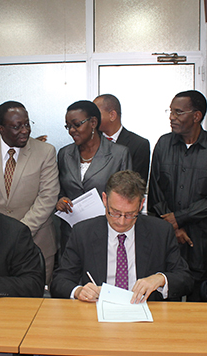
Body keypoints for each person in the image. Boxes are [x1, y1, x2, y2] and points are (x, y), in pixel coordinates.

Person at [51, 171, 193, 302]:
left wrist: (160, 279)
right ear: (105, 200)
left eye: (130, 214)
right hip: (98, 312)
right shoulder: (83, 232)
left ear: (141, 205)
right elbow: (59, 281)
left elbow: (186, 280)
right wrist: (79, 291)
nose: (121, 221)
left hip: (145, 314)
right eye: (115, 212)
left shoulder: (160, 232)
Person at [148, 90, 207, 301]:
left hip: (202, 241)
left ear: (196, 116)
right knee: (165, 299)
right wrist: (172, 225)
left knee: (201, 305)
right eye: (171, 111)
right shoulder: (163, 144)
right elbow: (155, 191)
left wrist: (179, 218)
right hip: (167, 240)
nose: (171, 117)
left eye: (178, 112)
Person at [0, 101, 59, 284]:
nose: (24, 130)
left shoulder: (45, 152)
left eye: (27, 124)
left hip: (37, 241)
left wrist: (20, 232)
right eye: (17, 126)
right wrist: (2, 232)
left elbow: (47, 197)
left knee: (37, 301)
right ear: (1, 128)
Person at [56, 100, 132, 251]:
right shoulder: (65, 154)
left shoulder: (119, 154)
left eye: (76, 124)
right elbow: (60, 190)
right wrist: (60, 201)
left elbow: (127, 196)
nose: (71, 130)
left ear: (93, 122)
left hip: (105, 233)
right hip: (71, 234)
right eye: (68, 126)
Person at [93, 94, 150, 182]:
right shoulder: (92, 141)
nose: (92, 119)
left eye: (96, 114)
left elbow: (137, 184)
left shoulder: (139, 144)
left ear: (112, 115)